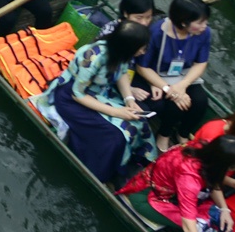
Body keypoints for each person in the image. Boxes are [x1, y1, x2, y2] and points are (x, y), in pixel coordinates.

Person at [35, 23, 150, 185]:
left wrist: (129, 100)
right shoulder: (93, 57)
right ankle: (99, 174)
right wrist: (116, 112)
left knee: (140, 117)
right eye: (142, 48)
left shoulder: (121, 53)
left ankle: (126, 163)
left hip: (99, 93)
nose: (143, 52)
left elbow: (122, 73)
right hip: (71, 99)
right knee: (115, 136)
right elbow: (77, 94)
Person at [134, 0, 212, 147]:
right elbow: (142, 66)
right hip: (158, 75)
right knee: (175, 104)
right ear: (183, 23)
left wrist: (183, 85)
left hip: (184, 74)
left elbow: (200, 63)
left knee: (201, 101)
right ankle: (163, 134)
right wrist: (169, 89)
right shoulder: (157, 33)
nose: (205, 26)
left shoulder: (204, 33)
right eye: (200, 22)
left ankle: (183, 134)